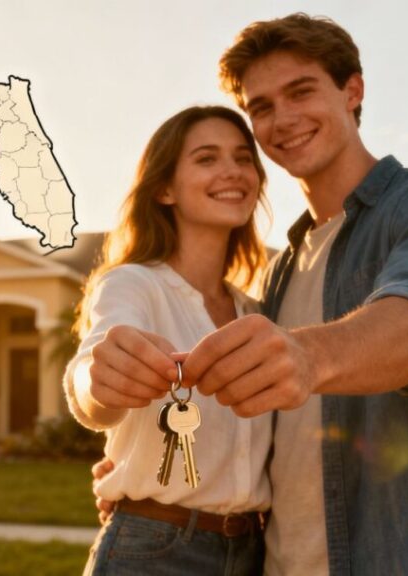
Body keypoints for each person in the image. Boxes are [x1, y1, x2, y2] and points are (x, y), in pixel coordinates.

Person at [93, 13, 408, 576]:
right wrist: (144, 481)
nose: (282, 120)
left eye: (301, 91)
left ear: (352, 90)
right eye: (261, 107)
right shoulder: (276, 276)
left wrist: (308, 355)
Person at [65, 105, 273, 575]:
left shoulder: (256, 313)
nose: (232, 171)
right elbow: (93, 370)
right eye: (206, 158)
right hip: (154, 551)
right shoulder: (133, 285)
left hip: (253, 553)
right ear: (163, 189)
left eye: (243, 158)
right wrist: (97, 381)